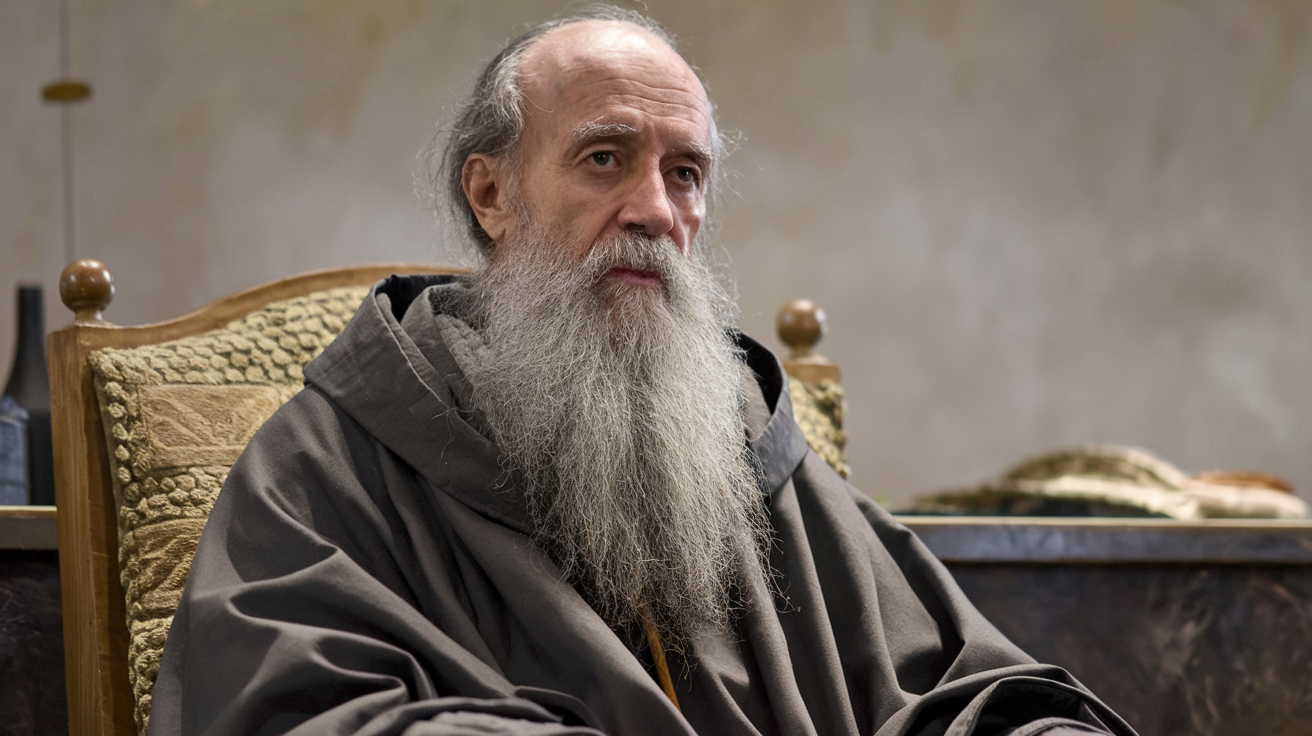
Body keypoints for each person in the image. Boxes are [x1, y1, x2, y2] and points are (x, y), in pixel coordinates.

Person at [148, 8, 1134, 736]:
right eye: (605, 158)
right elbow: (289, 713)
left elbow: (966, 689)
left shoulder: (749, 443)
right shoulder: (334, 454)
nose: (655, 210)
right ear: (491, 193)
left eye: (684, 173)